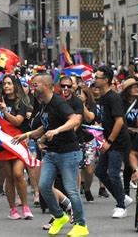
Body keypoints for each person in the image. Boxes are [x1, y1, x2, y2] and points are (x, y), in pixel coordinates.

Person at [13, 74, 88, 236]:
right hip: (52, 152)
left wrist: (58, 130)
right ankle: (60, 216)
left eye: (35, 84)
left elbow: (75, 120)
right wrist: (27, 135)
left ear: (46, 86)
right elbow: (45, 127)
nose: (32, 87)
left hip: (68, 152)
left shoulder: (59, 102)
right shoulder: (44, 104)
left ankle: (81, 225)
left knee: (71, 190)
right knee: (44, 186)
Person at [93, 66, 133, 219]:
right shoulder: (102, 98)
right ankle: (122, 196)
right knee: (100, 171)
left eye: (97, 77)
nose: (95, 79)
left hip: (118, 142)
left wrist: (109, 141)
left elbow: (119, 122)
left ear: (106, 80)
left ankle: (121, 206)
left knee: (114, 173)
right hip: (109, 140)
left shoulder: (113, 97)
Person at [0, 75, 34, 220]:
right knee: (9, 177)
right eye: (4, 84)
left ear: (15, 85)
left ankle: (25, 206)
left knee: (18, 173)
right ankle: (12, 209)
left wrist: (5, 111)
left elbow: (18, 121)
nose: (6, 86)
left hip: (18, 140)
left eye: (9, 83)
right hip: (3, 142)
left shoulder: (22, 102)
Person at [120, 78, 138, 196]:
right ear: (127, 90)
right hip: (126, 136)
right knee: (128, 163)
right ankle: (126, 190)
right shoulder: (121, 103)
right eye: (133, 87)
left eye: (137, 87)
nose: (136, 89)